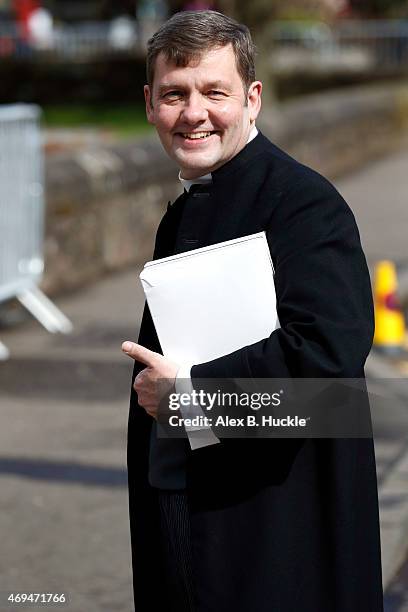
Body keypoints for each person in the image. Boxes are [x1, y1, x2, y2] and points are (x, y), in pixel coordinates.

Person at [122, 10, 383, 612]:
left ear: (253, 99)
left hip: (275, 528)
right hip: (198, 509)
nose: (194, 113)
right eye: (174, 94)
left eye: (215, 92)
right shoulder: (194, 201)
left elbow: (327, 360)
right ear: (148, 103)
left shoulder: (304, 203)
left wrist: (191, 396)